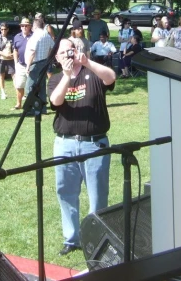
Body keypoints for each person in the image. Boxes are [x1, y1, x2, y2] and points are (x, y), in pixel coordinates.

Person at [48, 38, 116, 256]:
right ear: (57, 58)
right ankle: (72, 238)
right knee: (66, 192)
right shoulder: (57, 79)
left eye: (71, 50)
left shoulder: (93, 73)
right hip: (64, 144)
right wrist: (67, 76)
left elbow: (111, 78)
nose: (69, 55)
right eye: (63, 53)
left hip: (94, 144)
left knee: (97, 195)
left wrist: (86, 62)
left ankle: (96, 237)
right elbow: (56, 101)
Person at [24, 13, 54, 113]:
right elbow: (52, 48)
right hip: (44, 63)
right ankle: (43, 108)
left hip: (35, 63)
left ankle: (31, 108)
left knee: (29, 86)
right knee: (41, 87)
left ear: (35, 26)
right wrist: (48, 59)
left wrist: (27, 66)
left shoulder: (36, 36)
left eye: (32, 26)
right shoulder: (47, 35)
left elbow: (32, 52)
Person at [11, 18, 32, 110]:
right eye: (22, 25)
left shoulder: (33, 36)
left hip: (31, 65)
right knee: (19, 85)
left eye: (26, 25)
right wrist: (15, 62)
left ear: (30, 26)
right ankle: (19, 104)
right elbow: (15, 50)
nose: (24, 27)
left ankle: (31, 104)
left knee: (32, 86)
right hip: (20, 65)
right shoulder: (17, 37)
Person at [0, 23, 15, 100]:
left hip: (10, 59)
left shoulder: (11, 37)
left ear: (8, 29)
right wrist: (5, 55)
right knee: (1, 75)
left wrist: (12, 55)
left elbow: (14, 48)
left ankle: (18, 91)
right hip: (1, 59)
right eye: (1, 29)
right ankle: (2, 92)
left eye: (5, 29)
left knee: (14, 75)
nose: (3, 31)